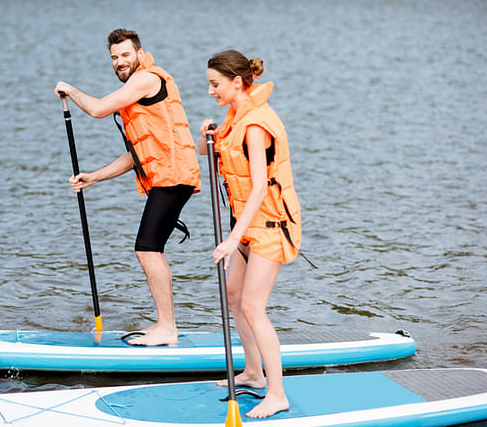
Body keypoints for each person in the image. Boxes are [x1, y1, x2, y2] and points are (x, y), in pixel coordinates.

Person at [55, 29, 201, 346]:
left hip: (173, 178)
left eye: (125, 55)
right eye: (114, 57)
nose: (120, 62)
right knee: (149, 249)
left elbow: (96, 109)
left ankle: (167, 328)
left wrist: (69, 88)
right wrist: (94, 176)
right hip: (171, 177)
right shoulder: (139, 89)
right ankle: (165, 324)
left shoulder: (146, 79)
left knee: (148, 249)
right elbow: (138, 154)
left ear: (139, 52)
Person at [198, 50, 302, 418]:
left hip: (272, 226)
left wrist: (230, 240)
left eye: (215, 84)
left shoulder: (257, 124)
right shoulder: (233, 117)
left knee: (254, 306)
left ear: (237, 82)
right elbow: (211, 157)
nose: (210, 90)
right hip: (248, 225)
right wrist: (205, 136)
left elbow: (259, 188)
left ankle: (277, 394)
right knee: (234, 295)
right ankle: (254, 373)